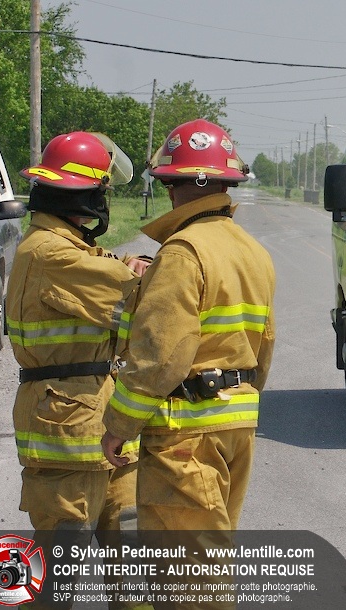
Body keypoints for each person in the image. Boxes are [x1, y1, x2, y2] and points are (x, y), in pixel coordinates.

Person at [101, 119, 275, 534]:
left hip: (186, 439)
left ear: (169, 185)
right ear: (226, 184)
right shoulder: (254, 252)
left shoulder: (182, 253)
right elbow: (264, 346)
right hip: (235, 430)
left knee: (186, 569)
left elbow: (160, 357)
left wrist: (119, 427)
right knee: (210, 557)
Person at [6, 131, 150, 610]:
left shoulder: (65, 247)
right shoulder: (51, 253)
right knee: (57, 577)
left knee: (132, 565)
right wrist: (154, 270)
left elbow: (104, 270)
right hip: (67, 429)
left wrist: (128, 264)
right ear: (85, 196)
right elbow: (136, 295)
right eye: (101, 191)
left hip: (100, 420)